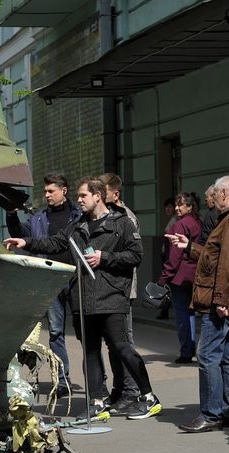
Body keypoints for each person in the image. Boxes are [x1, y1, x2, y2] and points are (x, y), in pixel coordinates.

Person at [4, 177, 162, 420]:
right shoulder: (78, 225)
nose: (78, 200)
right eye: (78, 196)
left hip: (110, 297)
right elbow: (56, 242)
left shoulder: (122, 223)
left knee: (121, 347)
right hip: (83, 298)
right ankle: (96, 402)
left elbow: (135, 255)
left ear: (97, 196)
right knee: (90, 351)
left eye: (83, 196)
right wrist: (26, 241)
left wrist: (105, 257)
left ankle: (148, 397)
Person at [167, 175, 229, 433]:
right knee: (226, 356)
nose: (212, 198)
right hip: (219, 297)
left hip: (218, 299)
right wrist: (190, 247)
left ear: (225, 193)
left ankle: (211, 413)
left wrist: (220, 299)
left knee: (206, 355)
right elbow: (215, 255)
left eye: (215, 194)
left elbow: (228, 264)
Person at [6, 173, 81, 396]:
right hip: (50, 280)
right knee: (56, 332)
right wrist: (11, 213)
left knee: (85, 331)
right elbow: (20, 234)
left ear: (64, 190)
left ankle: (98, 384)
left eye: (51, 191)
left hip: (77, 278)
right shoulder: (39, 219)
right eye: (45, 191)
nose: (46, 195)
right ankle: (63, 380)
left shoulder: (78, 215)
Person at [97, 172, 141, 414]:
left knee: (124, 342)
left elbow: (132, 255)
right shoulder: (104, 215)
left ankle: (133, 392)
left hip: (122, 289)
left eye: (102, 192)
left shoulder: (126, 218)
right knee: (113, 343)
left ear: (115, 194)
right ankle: (120, 388)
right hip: (107, 289)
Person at [157, 192, 202, 364]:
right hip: (196, 273)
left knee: (183, 313)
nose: (176, 208)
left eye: (180, 204)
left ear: (189, 207)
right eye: (176, 204)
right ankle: (195, 348)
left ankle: (186, 350)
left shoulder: (180, 225)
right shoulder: (198, 222)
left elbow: (174, 256)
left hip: (180, 277)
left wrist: (164, 277)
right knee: (196, 313)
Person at [156, 197, 177, 320]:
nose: (167, 209)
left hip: (170, 257)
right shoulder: (172, 220)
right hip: (167, 255)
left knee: (166, 285)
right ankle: (164, 310)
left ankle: (164, 310)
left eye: (170, 206)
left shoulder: (175, 220)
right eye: (166, 207)